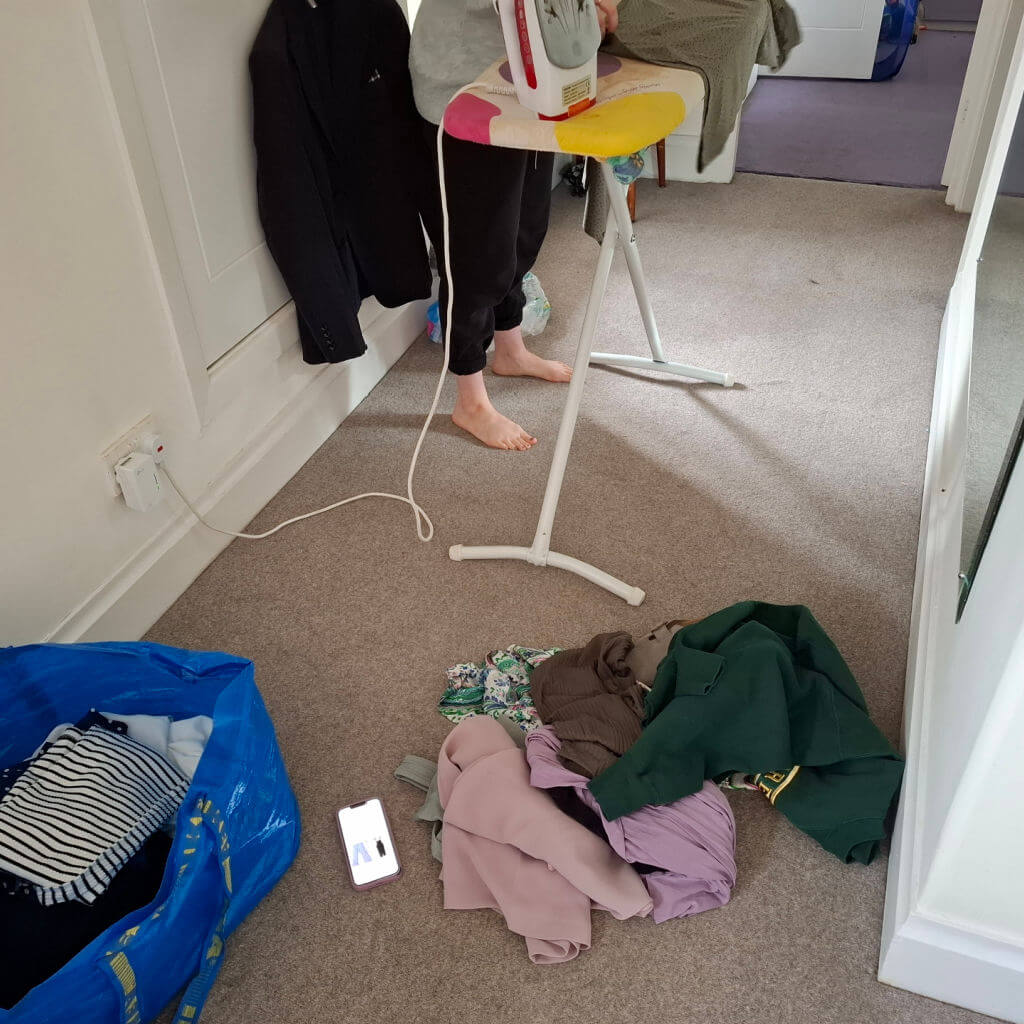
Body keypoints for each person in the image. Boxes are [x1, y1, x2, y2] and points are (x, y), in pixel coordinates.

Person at [411, 0, 619, 451]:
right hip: (463, 86)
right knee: (476, 254)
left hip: (532, 80)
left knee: (525, 229)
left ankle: (510, 348)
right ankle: (469, 399)